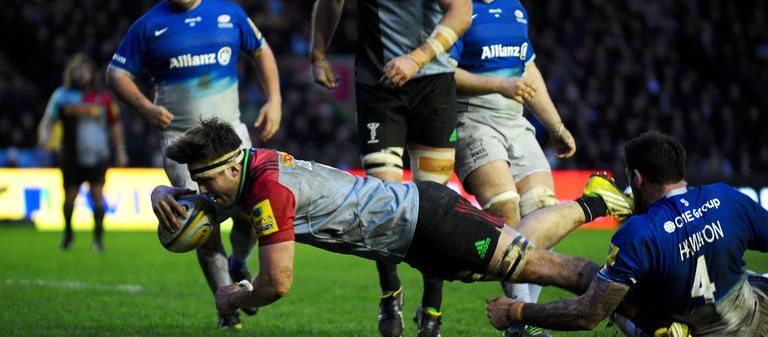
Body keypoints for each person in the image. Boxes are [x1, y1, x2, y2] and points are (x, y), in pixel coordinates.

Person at [151, 118, 634, 335]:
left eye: (205, 180)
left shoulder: (267, 191)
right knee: (521, 258)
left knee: (543, 268)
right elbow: (218, 195)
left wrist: (233, 296)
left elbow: (277, 282)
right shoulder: (253, 164)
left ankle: (642, 309)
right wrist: (163, 193)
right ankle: (594, 202)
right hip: (415, 235)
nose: (202, 191)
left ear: (232, 168)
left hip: (430, 221)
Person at [309, 0, 472, 335]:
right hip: (378, 83)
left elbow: (460, 11)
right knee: (382, 200)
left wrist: (417, 58)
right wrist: (318, 51)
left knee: (434, 204)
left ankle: (432, 308)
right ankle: (389, 294)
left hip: (432, 82)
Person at [106, 0, 282, 330]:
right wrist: (146, 108)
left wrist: (274, 100)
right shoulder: (148, 27)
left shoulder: (229, 14)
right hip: (181, 143)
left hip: (232, 136)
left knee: (252, 216)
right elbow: (115, 74)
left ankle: (239, 263)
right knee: (202, 228)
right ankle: (228, 308)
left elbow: (262, 51)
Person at [487, 131, 768, 336]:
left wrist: (516, 311)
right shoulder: (727, 199)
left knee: (593, 278)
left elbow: (587, 315)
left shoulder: (638, 232)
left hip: (679, 325)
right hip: (754, 320)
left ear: (637, 178)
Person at [449, 0, 576, 336]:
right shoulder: (453, 10)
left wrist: (555, 124)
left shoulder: (516, 8)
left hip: (516, 121)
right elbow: (443, 72)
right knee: (505, 210)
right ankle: (521, 319)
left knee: (542, 209)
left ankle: (519, 318)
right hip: (472, 119)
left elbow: (528, 71)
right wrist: (500, 84)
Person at [38, 53, 129, 252]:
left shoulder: (104, 98)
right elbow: (48, 120)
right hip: (70, 156)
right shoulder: (62, 96)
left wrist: (121, 150)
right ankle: (68, 233)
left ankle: (98, 238)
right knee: (69, 198)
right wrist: (45, 137)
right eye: (77, 71)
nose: (81, 74)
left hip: (98, 155)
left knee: (98, 196)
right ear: (71, 74)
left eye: (85, 70)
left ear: (92, 74)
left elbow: (115, 125)